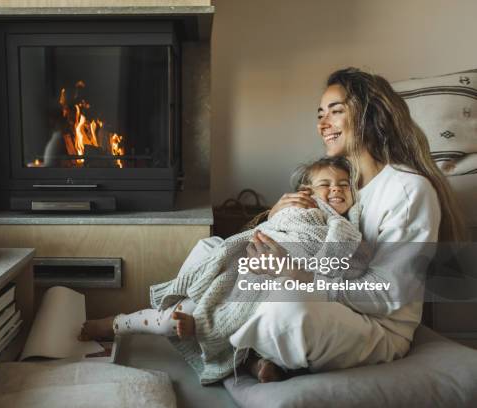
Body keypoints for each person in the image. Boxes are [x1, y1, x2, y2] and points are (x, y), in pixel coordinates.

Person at [236, 67, 466, 383]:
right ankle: (256, 353)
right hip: (329, 299)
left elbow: (387, 293)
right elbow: (307, 238)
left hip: (378, 325)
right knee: (220, 258)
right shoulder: (340, 185)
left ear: (368, 116)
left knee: (287, 311)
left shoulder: (408, 190)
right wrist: (274, 217)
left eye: (335, 111)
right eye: (320, 114)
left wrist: (295, 274)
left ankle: (252, 353)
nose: (322, 123)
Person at [80, 156, 368, 384]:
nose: (336, 189)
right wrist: (274, 216)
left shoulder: (346, 226)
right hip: (247, 261)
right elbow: (263, 232)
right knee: (172, 319)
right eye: (326, 184)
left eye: (344, 185)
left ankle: (251, 360)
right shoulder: (297, 209)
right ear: (306, 192)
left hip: (278, 276)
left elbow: (342, 261)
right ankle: (117, 323)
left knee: (256, 314)